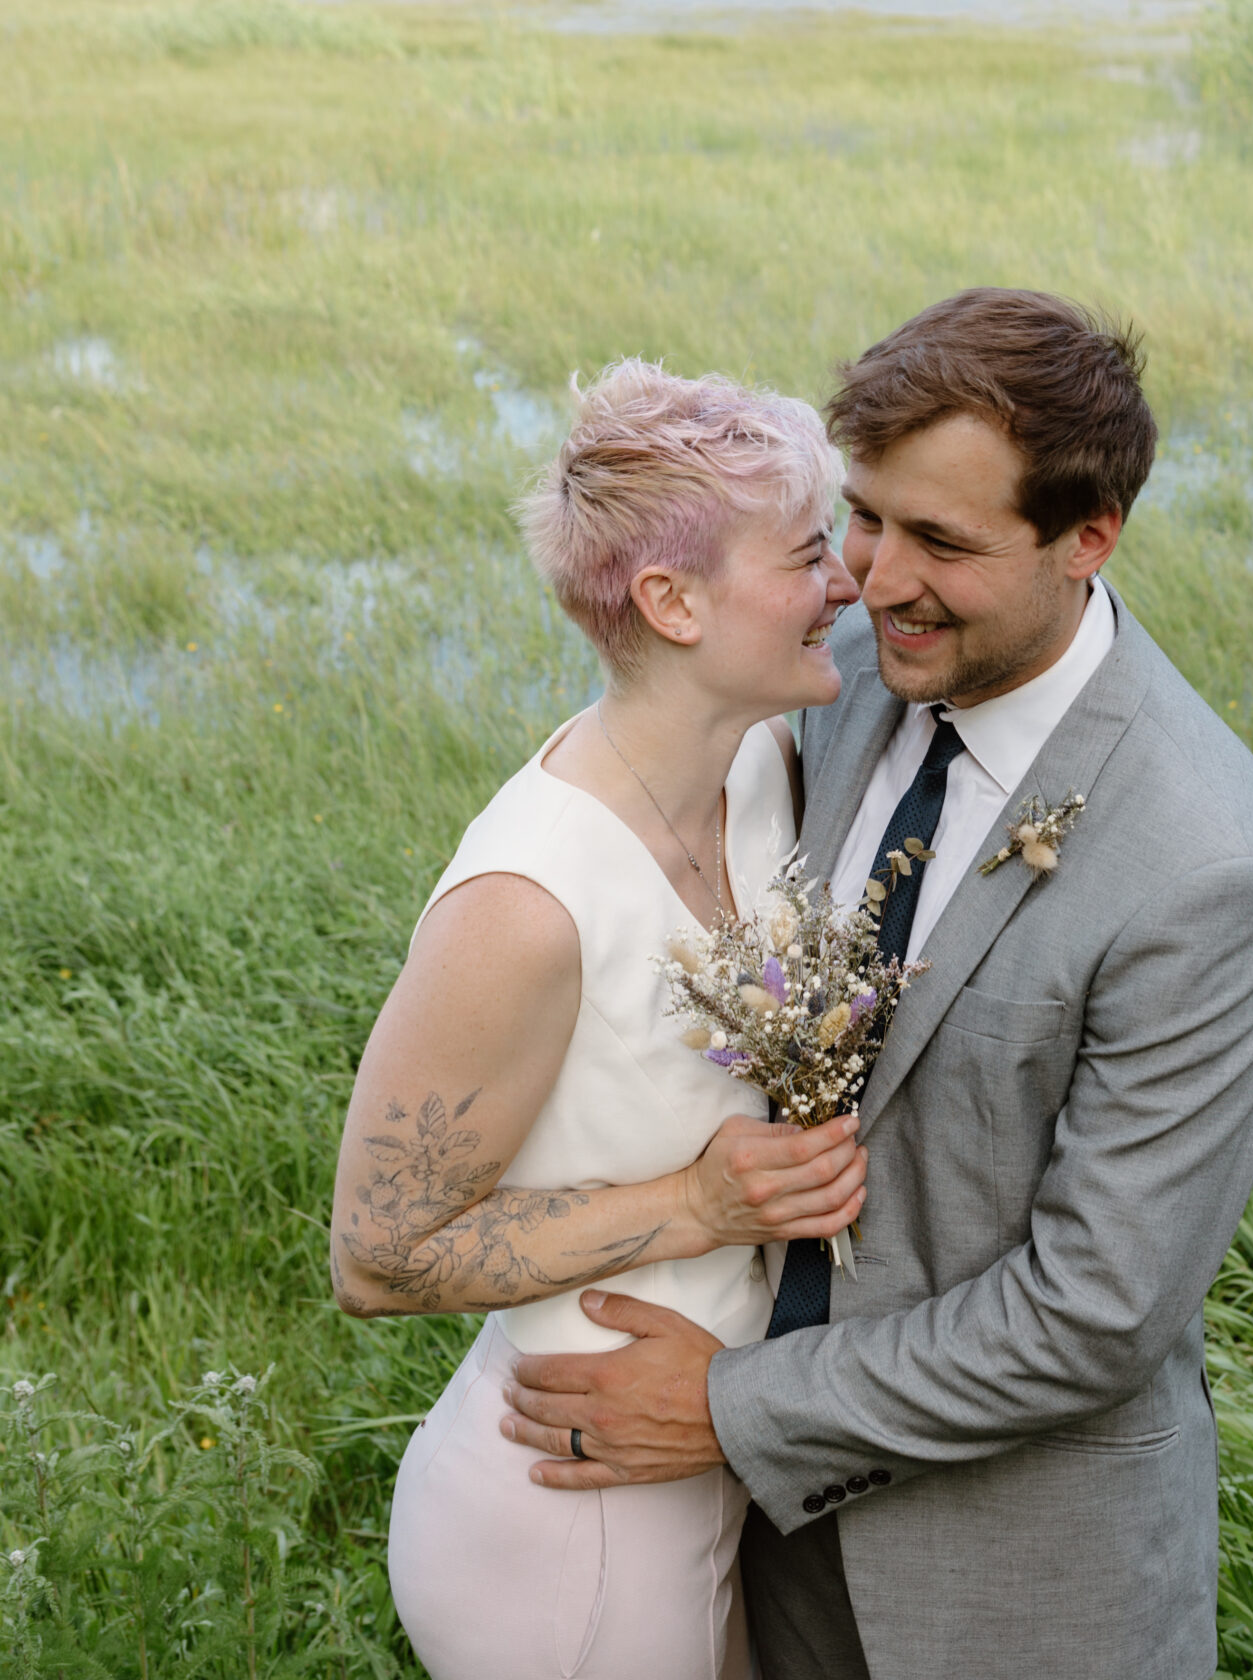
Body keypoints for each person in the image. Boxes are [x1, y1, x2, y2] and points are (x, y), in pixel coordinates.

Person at [498, 288, 1253, 1680]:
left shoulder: (1209, 868)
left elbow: (1096, 1312)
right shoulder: (844, 675)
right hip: (746, 1543)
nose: (875, 580)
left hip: (1014, 1582)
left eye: (943, 541)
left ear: (1090, 538)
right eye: (865, 517)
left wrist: (731, 1407)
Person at [329, 361, 867, 1680]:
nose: (847, 584)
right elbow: (378, 1258)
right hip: (573, 1536)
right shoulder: (525, 905)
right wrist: (700, 1205)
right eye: (808, 557)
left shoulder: (761, 760)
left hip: (703, 1471)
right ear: (673, 602)